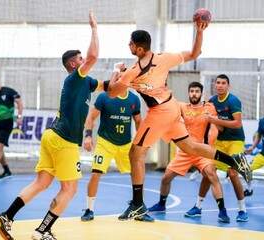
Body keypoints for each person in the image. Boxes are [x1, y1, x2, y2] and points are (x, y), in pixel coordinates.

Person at [107, 21, 251, 221]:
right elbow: (194, 53)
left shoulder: (132, 72)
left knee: (135, 153)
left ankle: (138, 204)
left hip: (159, 112)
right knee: (191, 146)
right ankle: (234, 161)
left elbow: (112, 92)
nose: (128, 46)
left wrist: (116, 71)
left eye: (130, 44)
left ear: (139, 48)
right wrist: (199, 32)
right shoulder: (163, 58)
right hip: (173, 107)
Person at [0, 11, 103, 240]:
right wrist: (94, 28)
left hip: (52, 136)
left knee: (41, 183)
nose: (85, 60)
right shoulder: (75, 78)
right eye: (81, 58)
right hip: (64, 140)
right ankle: (42, 230)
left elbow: (110, 87)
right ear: (74, 64)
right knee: (70, 189)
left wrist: (126, 75)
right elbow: (93, 56)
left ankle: (7, 216)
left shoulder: (86, 83)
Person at [148, 81, 230, 223]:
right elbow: (167, 106)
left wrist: (213, 123)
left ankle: (223, 211)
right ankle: (162, 204)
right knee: (166, 178)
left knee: (212, 175)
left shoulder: (209, 108)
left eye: (197, 91)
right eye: (191, 91)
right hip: (185, 151)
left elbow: (220, 129)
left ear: (201, 94)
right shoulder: (181, 107)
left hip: (202, 151)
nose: (194, 94)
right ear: (188, 93)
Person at [186, 74, 249, 222]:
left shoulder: (233, 101)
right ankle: (198, 207)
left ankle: (242, 210)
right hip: (220, 142)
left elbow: (237, 123)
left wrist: (216, 120)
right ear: (215, 85)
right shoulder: (212, 101)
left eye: (223, 83)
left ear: (228, 86)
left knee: (233, 174)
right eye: (218, 83)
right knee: (208, 171)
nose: (220, 85)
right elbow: (212, 123)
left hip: (235, 141)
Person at [80, 89, 143, 221]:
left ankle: (138, 206)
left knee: (137, 173)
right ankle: (89, 209)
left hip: (125, 144)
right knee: (95, 173)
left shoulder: (134, 99)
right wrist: (88, 136)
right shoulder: (104, 97)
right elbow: (91, 117)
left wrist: (141, 142)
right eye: (118, 76)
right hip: (105, 142)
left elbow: (138, 121)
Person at [0, 76, 23, 179]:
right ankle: (7, 170)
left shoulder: (8, 91)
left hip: (6, 123)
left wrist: (19, 116)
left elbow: (19, 102)